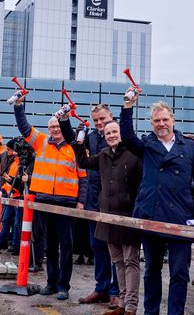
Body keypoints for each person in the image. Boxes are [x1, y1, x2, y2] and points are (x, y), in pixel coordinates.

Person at [119, 91, 194, 315]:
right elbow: (126, 137)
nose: (161, 124)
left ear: (173, 120)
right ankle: (150, 312)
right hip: (151, 214)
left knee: (179, 272)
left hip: (180, 217)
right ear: (151, 123)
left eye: (165, 119)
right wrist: (128, 105)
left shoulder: (190, 147)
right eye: (157, 120)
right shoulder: (147, 145)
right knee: (152, 270)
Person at [13, 93, 87, 301]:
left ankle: (64, 285)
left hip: (66, 203)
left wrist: (81, 200)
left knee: (67, 245)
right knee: (49, 245)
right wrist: (18, 106)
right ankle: (51, 283)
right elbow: (24, 128)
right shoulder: (42, 142)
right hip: (44, 201)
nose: (55, 129)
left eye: (57, 126)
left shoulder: (75, 147)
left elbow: (83, 177)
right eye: (51, 126)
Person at [73, 120, 143, 315]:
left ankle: (131, 306)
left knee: (131, 262)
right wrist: (79, 144)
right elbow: (84, 162)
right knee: (118, 261)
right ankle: (121, 303)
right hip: (108, 216)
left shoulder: (134, 154)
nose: (111, 135)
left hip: (129, 217)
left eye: (114, 132)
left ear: (122, 133)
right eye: (107, 133)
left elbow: (140, 186)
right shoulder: (104, 155)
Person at [59, 104, 120, 308]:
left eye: (103, 119)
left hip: (117, 202)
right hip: (95, 201)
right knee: (98, 246)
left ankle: (117, 291)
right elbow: (73, 144)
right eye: (96, 121)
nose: (100, 123)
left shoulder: (119, 136)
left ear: (111, 117)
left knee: (116, 249)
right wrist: (65, 120)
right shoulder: (92, 137)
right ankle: (101, 288)